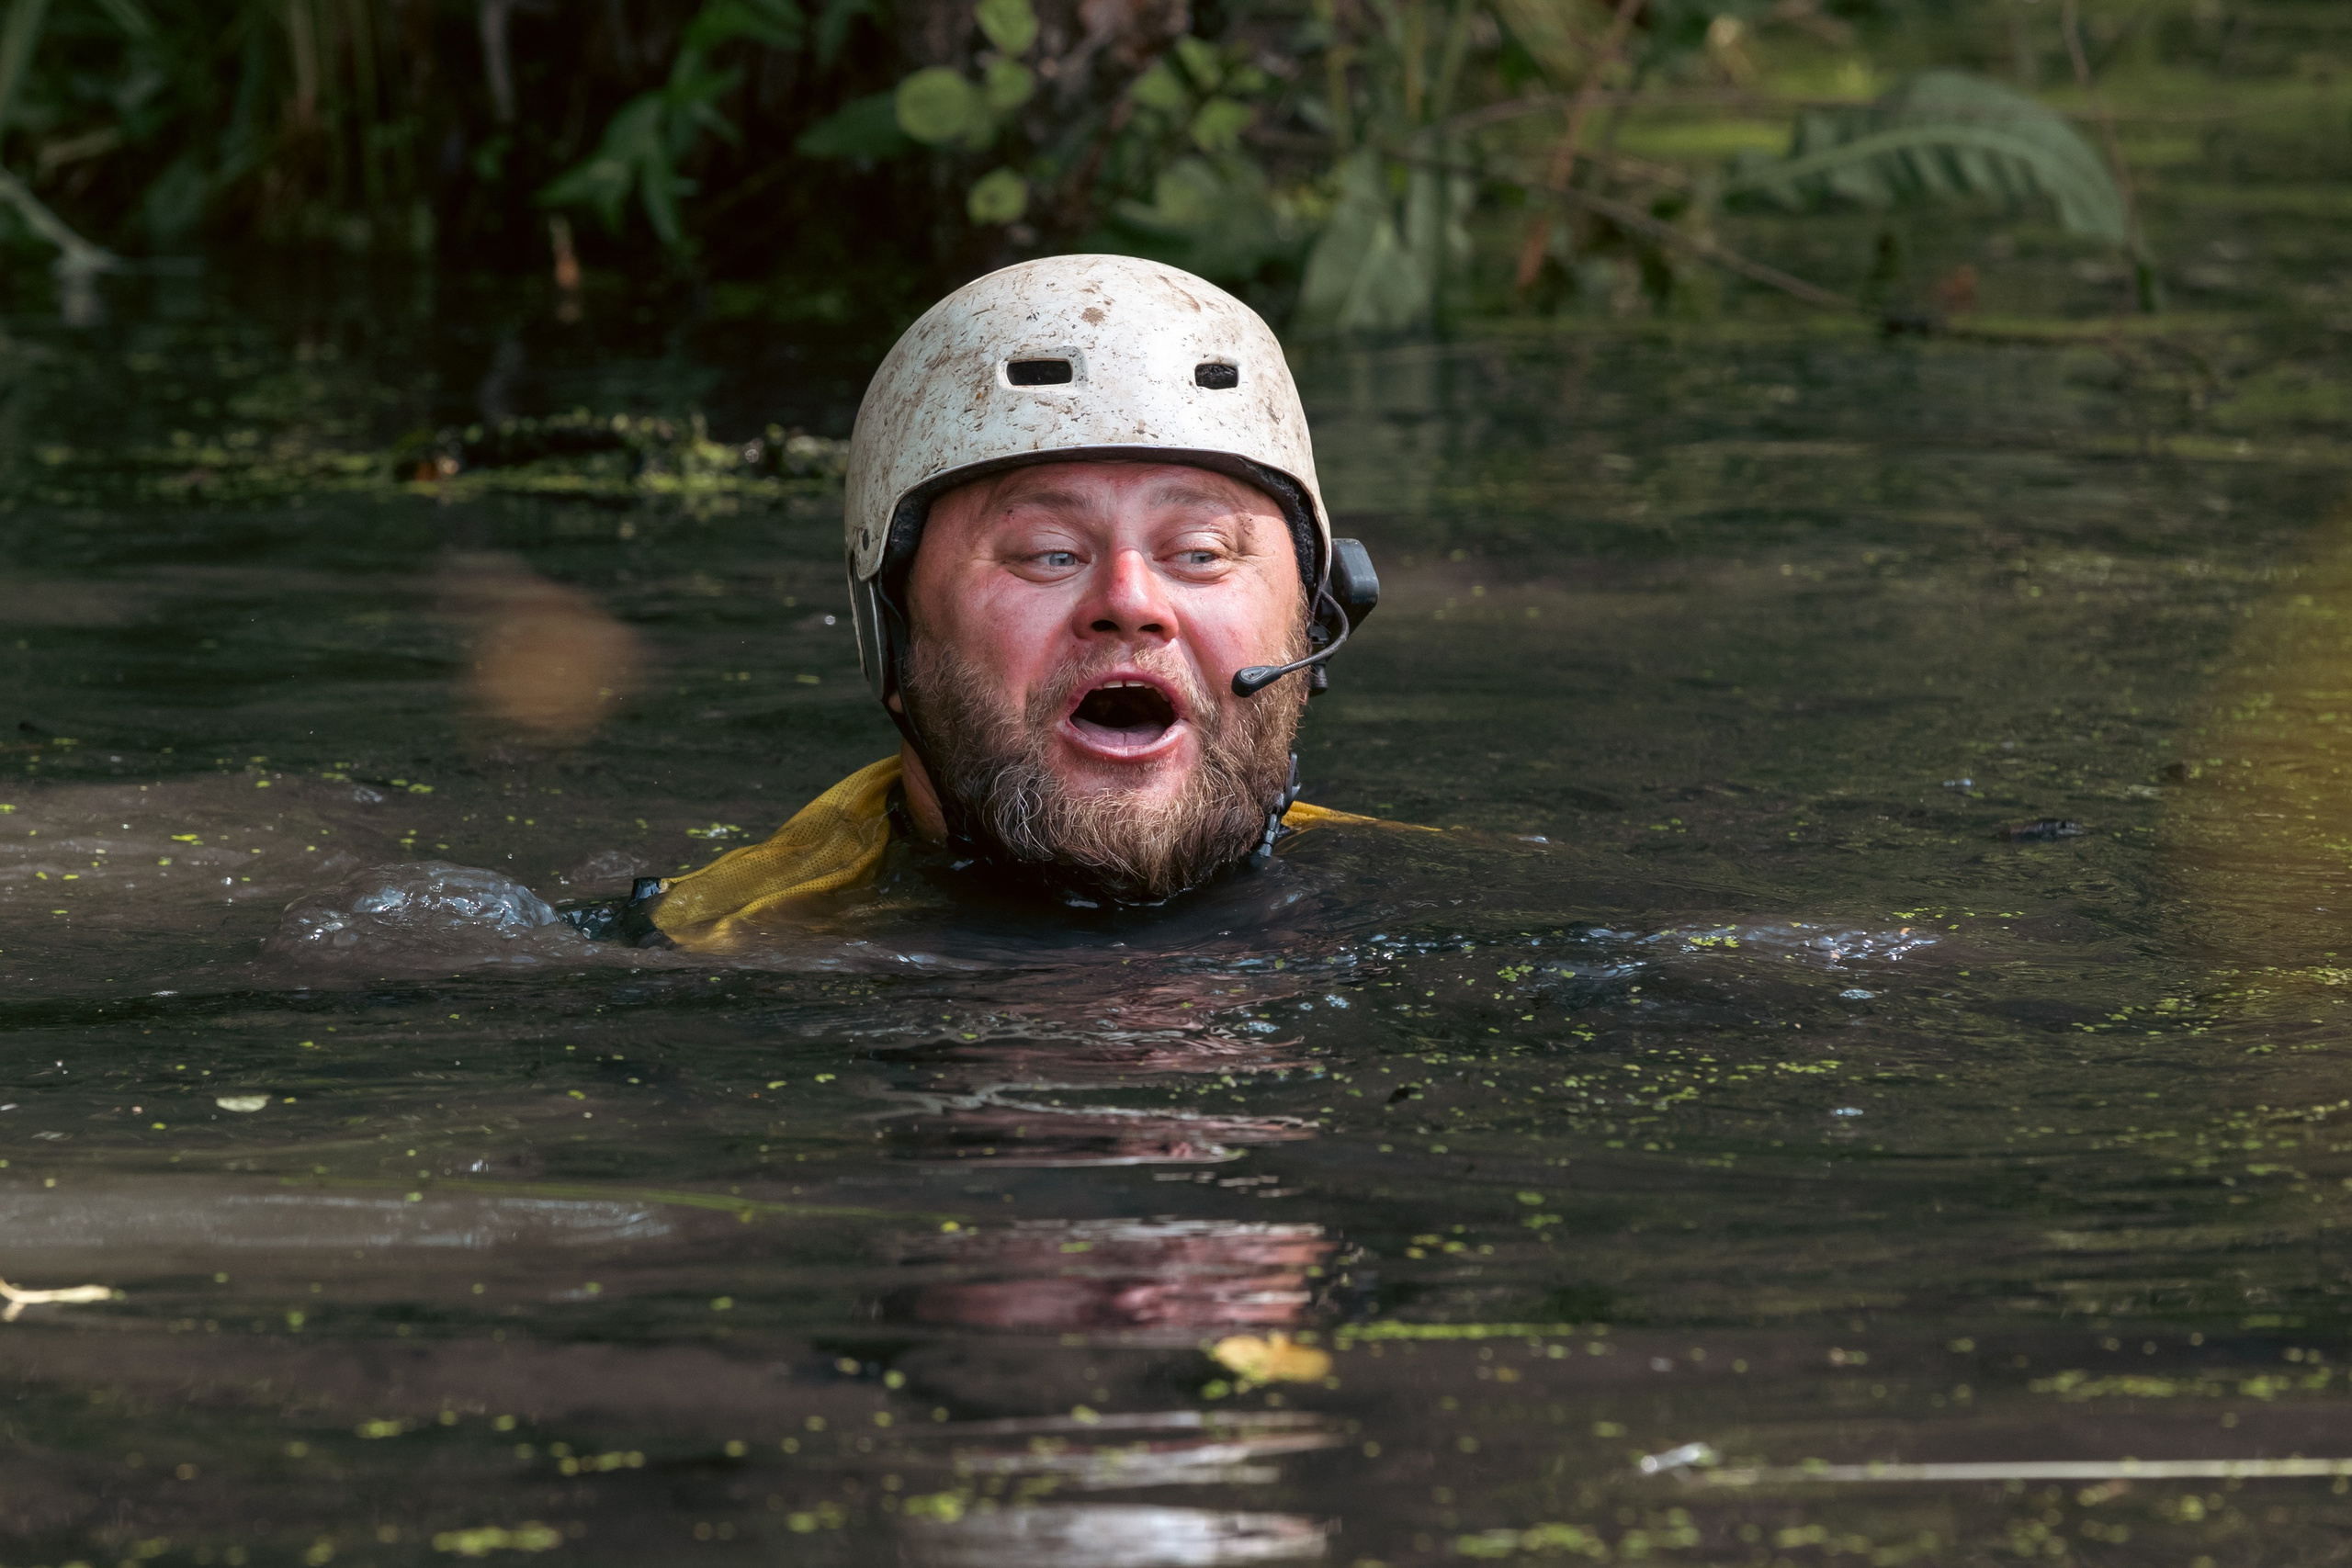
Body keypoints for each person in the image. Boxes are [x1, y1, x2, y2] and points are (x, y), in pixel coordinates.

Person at [630, 255, 1381, 946]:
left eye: (1200, 554)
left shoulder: (1435, 896)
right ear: (890, 631)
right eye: (1049, 553)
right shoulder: (709, 952)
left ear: (1312, 619)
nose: (1129, 601)